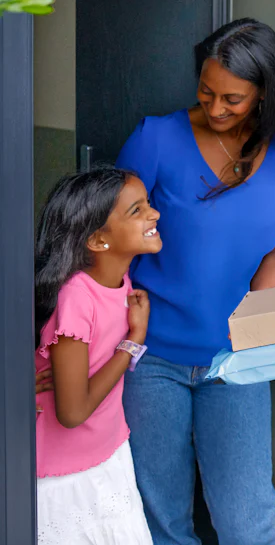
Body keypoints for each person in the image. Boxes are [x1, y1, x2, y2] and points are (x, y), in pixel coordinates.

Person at [116, 18, 275, 544]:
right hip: (150, 355)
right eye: (206, 92)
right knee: (160, 516)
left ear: (264, 93)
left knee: (247, 518)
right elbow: (111, 239)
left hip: (236, 360)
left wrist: (264, 302)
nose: (216, 107)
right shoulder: (155, 138)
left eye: (234, 98)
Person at [33, 166, 162, 544]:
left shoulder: (120, 280)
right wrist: (133, 340)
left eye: (148, 205)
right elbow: (72, 413)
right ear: (99, 240)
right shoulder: (76, 298)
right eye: (136, 211)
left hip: (108, 456)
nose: (153, 214)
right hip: (67, 478)